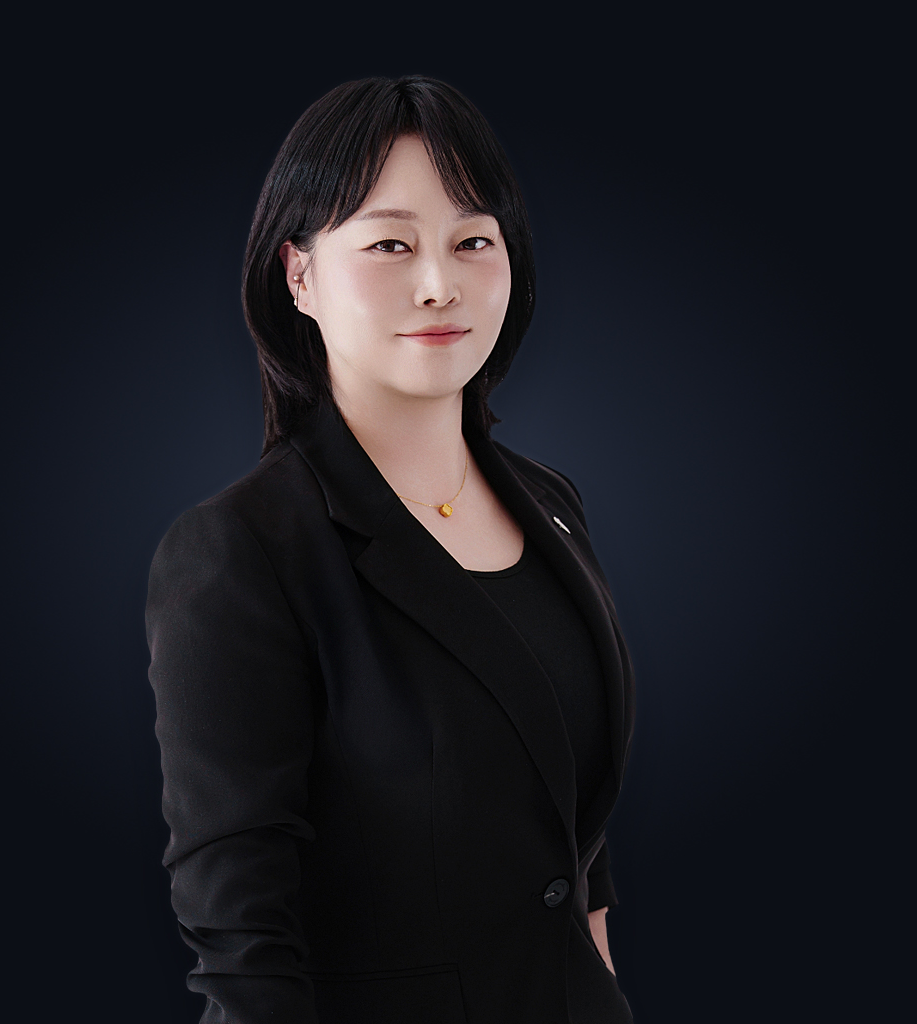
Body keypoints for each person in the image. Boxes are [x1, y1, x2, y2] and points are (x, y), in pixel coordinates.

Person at [146, 75, 637, 1024]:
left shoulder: (550, 503)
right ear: (298, 275)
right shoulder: (243, 550)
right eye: (390, 244)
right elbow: (244, 946)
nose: (439, 283)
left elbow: (575, 844)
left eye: (473, 241)